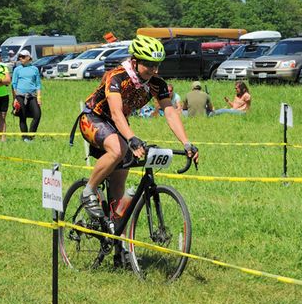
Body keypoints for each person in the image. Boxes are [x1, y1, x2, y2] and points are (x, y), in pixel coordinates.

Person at [72, 35, 199, 220]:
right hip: (94, 118)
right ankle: (88, 191)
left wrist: (186, 143)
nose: (155, 70)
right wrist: (131, 138)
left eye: (157, 65)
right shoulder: (117, 76)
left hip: (119, 125)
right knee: (118, 150)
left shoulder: (156, 83)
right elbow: (115, 112)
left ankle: (117, 231)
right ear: (134, 61)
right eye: (149, 65)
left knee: (119, 185)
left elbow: (170, 113)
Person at [11, 49, 42, 142]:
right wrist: (15, 99)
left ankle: (31, 136)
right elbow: (14, 85)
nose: (21, 58)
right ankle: (25, 137)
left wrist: (39, 97)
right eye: (20, 57)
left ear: (29, 58)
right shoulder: (17, 69)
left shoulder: (34, 69)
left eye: (23, 57)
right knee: (22, 116)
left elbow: (38, 85)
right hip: (20, 96)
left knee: (37, 115)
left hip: (32, 96)